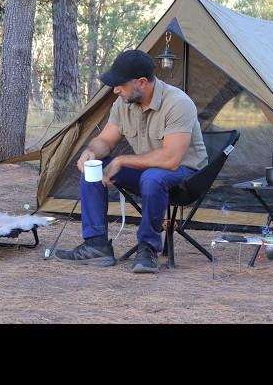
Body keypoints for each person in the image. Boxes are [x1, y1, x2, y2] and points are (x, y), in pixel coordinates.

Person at [55, 49, 208, 273]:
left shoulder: (178, 103)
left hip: (186, 175)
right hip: (147, 172)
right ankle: (96, 245)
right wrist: (90, 152)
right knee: (94, 169)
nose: (115, 90)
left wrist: (121, 160)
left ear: (142, 83)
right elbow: (105, 140)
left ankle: (147, 248)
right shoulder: (123, 103)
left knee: (153, 177)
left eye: (120, 84)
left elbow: (171, 159)